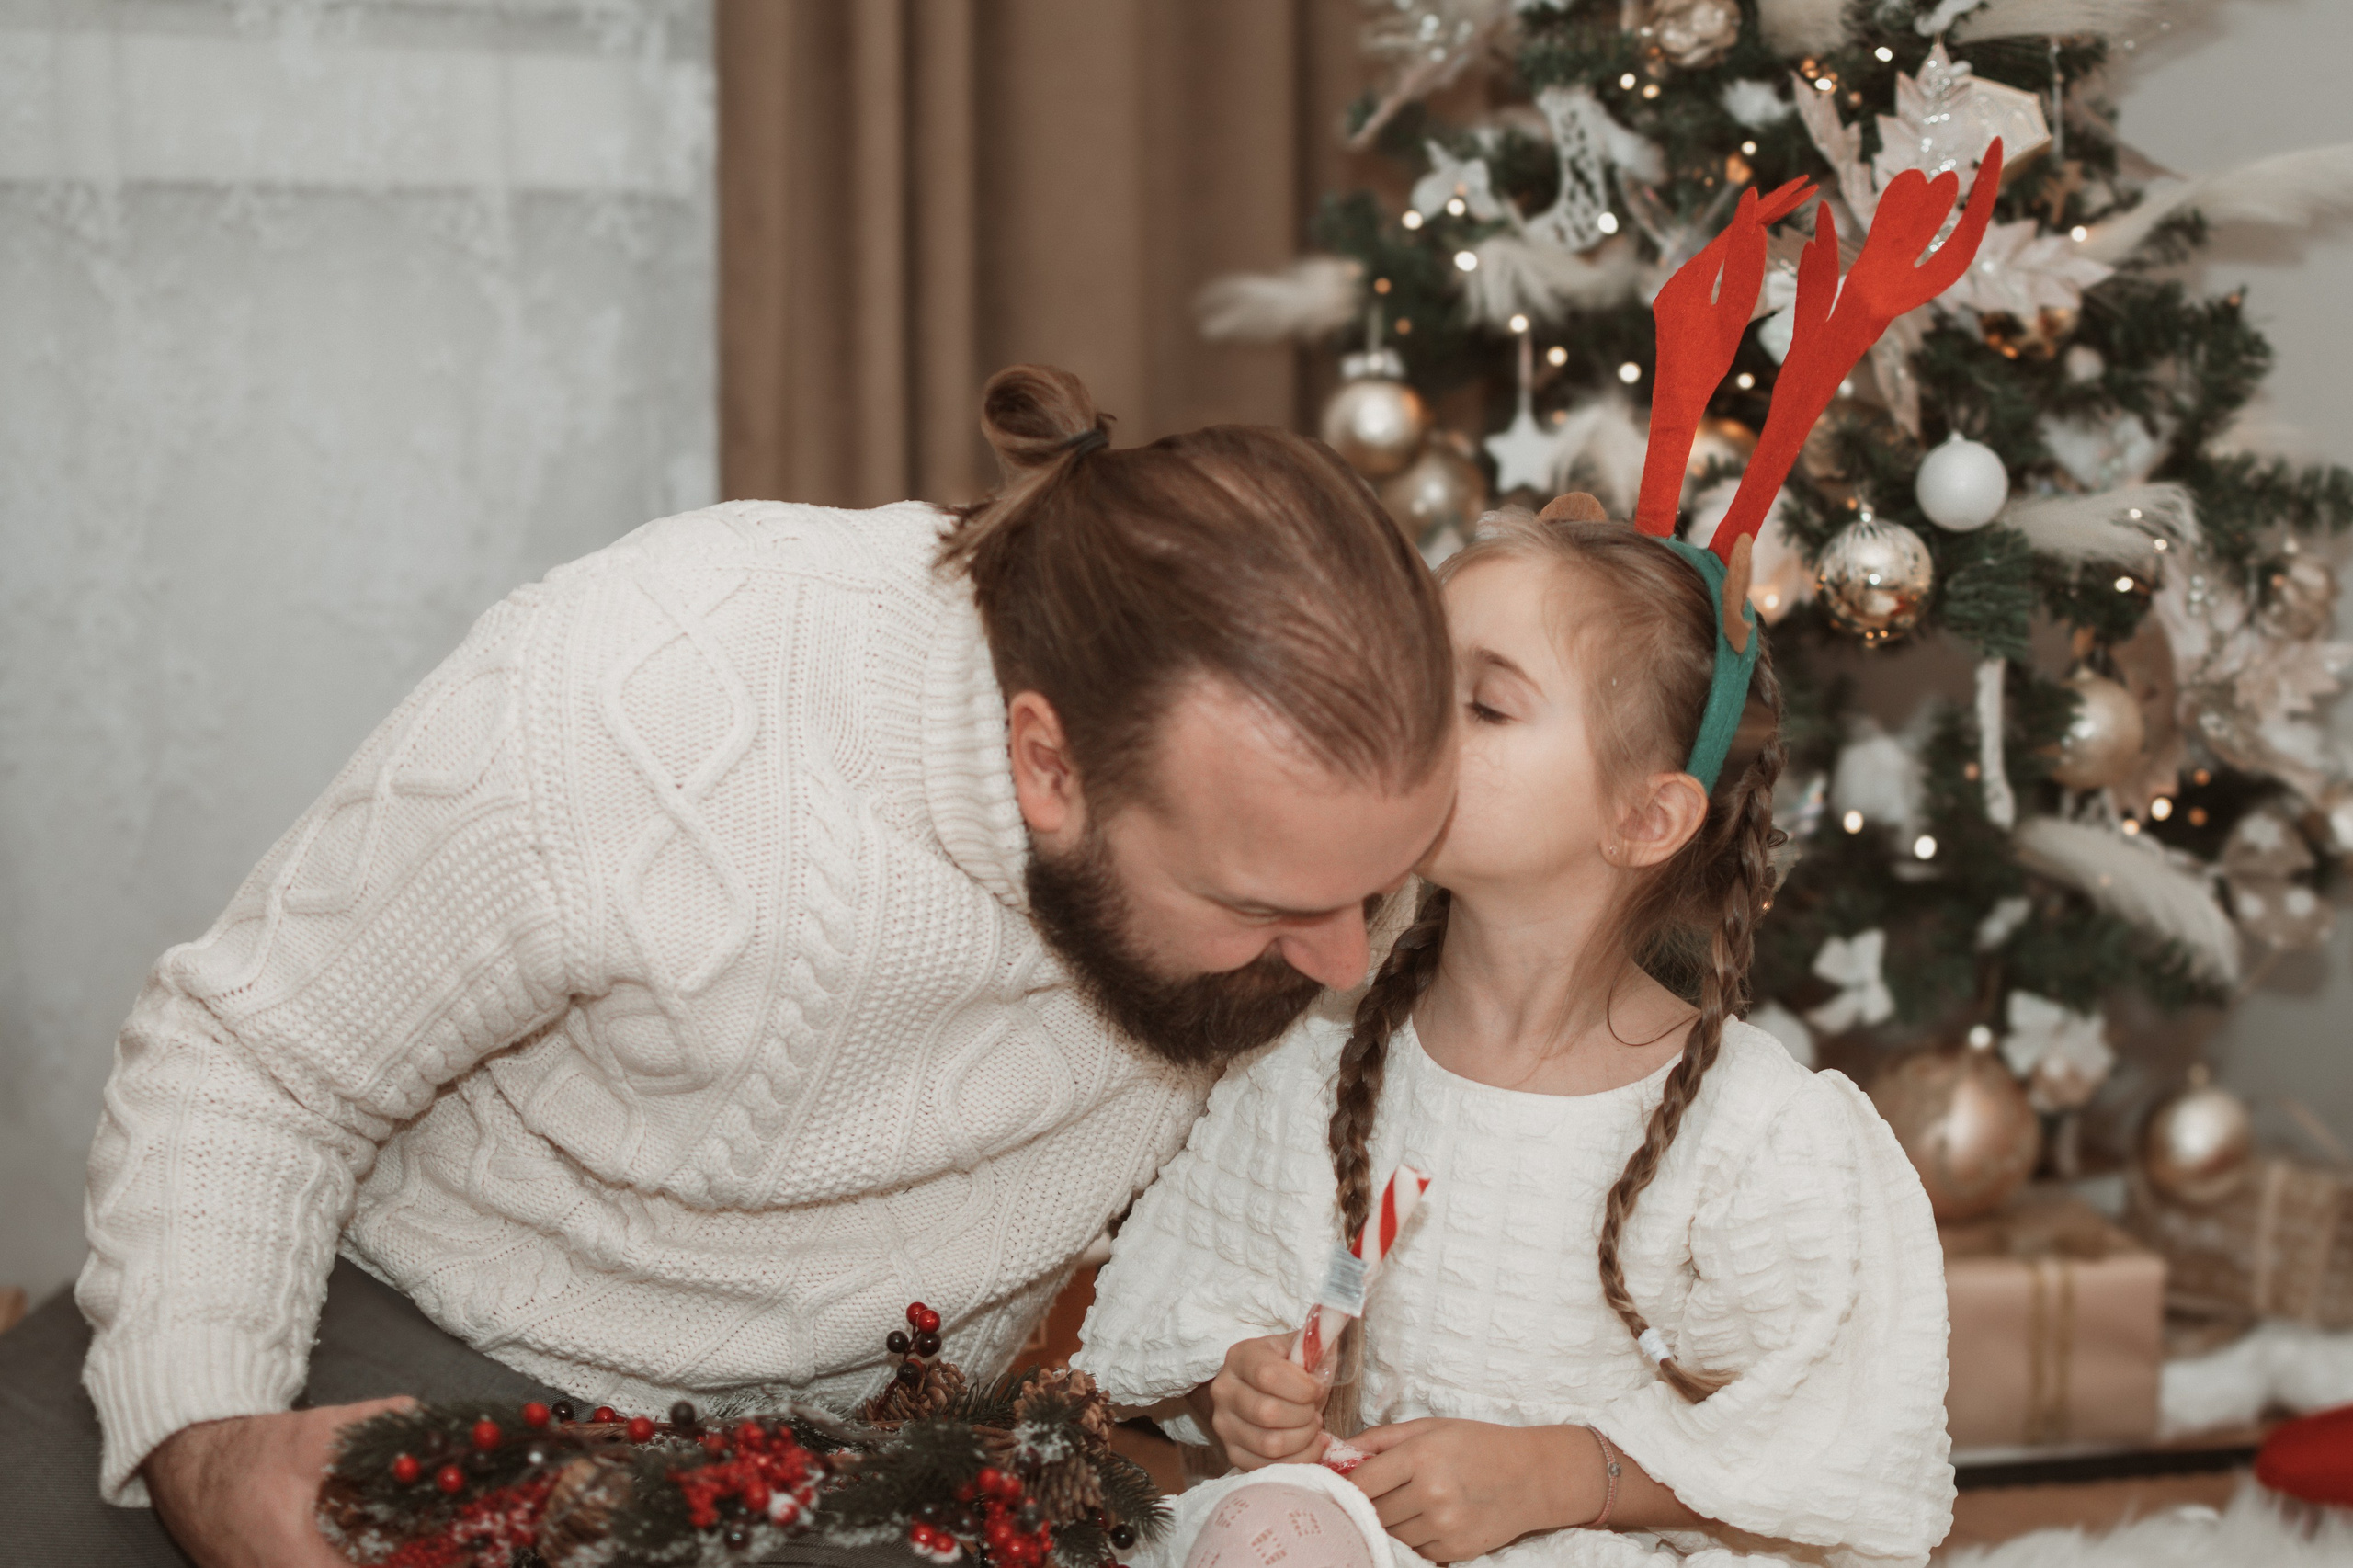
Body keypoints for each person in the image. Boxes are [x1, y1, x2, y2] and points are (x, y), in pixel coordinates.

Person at [4, 365, 1457, 1566]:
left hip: (843, 1470)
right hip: (383, 1326)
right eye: (1266, 904)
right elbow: (257, 1060)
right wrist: (207, 1447)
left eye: (1381, 886)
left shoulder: (1317, 856)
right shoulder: (644, 689)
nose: (1344, 956)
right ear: (1047, 763)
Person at [1071, 507, 1953, 1568]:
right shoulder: (1311, 1062)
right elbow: (1179, 1340)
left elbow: (1825, 1456)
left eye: (1483, 704)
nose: (1415, 724)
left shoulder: (1755, 1135)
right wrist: (1242, 1392)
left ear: (1642, 818)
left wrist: (1565, 1472)